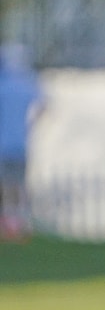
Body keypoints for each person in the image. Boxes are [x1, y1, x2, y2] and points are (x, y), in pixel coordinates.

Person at [0, 43, 41, 240]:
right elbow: (44, 104)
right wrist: (31, 125)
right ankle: (20, 225)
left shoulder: (5, 84)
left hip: (4, 145)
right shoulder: (25, 83)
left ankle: (11, 228)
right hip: (21, 144)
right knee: (19, 187)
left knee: (8, 188)